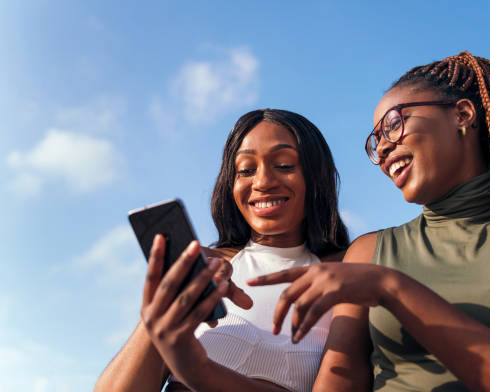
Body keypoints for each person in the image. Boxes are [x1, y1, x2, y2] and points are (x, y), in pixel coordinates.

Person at [249, 52, 490, 391]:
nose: (384, 148)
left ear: (463, 115)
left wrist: (393, 289)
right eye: (376, 142)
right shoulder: (369, 252)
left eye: (394, 124)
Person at [94, 109, 349, 392]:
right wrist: (161, 313)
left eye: (285, 165)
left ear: (317, 175)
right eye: (246, 170)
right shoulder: (206, 266)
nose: (262, 182)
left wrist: (197, 368)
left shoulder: (346, 273)